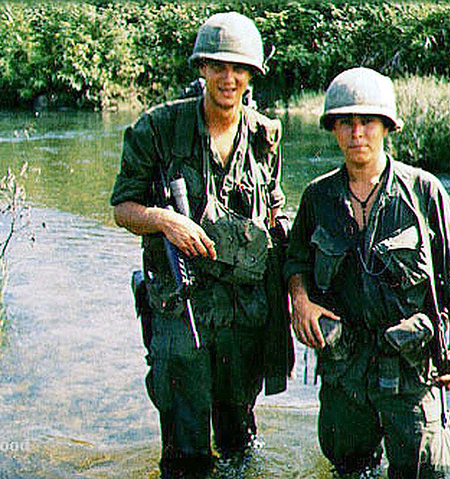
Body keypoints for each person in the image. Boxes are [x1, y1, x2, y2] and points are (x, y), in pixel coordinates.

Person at [110, 11, 293, 478]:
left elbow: (274, 207)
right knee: (185, 452)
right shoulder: (157, 129)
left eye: (238, 68)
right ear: (201, 68)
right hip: (181, 308)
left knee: (238, 444)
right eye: (217, 66)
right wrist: (164, 220)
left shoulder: (264, 135)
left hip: (242, 313)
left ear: (252, 74)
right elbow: (122, 209)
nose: (228, 78)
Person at [285, 67, 450, 478]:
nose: (357, 133)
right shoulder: (318, 197)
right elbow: (295, 260)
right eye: (346, 123)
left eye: (367, 121)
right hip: (345, 371)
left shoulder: (424, 192)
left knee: (423, 470)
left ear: (386, 127)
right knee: (347, 468)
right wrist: (299, 301)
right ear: (333, 129)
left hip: (411, 371)